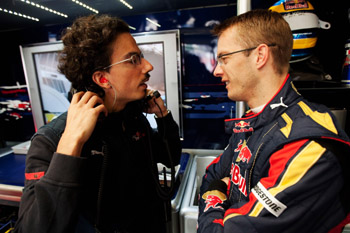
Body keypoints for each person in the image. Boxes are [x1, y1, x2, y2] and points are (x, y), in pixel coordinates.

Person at [14, 14, 181, 233]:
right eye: (133, 60)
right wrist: (70, 144)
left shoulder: (131, 118)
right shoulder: (52, 139)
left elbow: (170, 157)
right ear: (103, 79)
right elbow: (32, 229)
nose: (148, 66)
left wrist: (163, 115)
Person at [198, 9, 350, 233]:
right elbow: (212, 175)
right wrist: (219, 189)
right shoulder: (253, 122)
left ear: (260, 56)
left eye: (224, 58)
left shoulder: (309, 145)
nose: (216, 70)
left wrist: (217, 197)